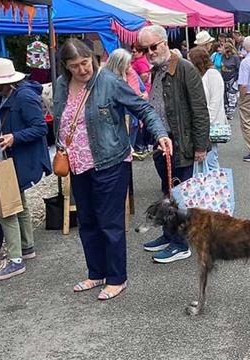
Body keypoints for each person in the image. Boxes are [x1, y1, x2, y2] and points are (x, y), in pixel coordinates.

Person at [53, 38, 171, 300]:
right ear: (66, 67)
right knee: (87, 222)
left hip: (110, 162)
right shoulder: (61, 85)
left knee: (110, 223)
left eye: (85, 63)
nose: (82, 70)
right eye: (75, 66)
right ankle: (96, 273)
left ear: (92, 59)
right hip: (78, 164)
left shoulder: (108, 82)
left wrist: (160, 134)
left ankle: (117, 277)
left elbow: (143, 108)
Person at [0, 58, 51, 282]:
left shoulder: (24, 97)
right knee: (20, 203)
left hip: (22, 159)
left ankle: (15, 259)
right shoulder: (1, 96)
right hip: (13, 159)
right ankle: (27, 247)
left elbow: (40, 128)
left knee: (3, 207)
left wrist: (15, 137)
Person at [138, 25, 210, 263]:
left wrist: (200, 146)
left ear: (165, 42)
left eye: (153, 46)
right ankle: (169, 235)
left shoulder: (184, 69)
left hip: (182, 144)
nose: (149, 52)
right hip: (163, 144)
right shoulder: (158, 69)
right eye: (144, 48)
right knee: (168, 193)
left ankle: (181, 243)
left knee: (180, 196)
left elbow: (199, 110)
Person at [188, 47, 227, 170]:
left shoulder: (212, 74)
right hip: (206, 124)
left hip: (210, 124)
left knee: (211, 160)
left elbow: (214, 104)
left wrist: (204, 124)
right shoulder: (204, 74)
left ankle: (218, 188)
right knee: (207, 161)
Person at [106, 49, 147, 158]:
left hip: (132, 119)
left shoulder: (132, 73)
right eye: (127, 64)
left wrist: (143, 95)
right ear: (118, 64)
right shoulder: (107, 79)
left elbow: (143, 89)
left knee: (128, 152)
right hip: (117, 119)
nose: (130, 66)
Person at [221, 41, 241, 119]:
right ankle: (226, 110)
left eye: (222, 47)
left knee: (232, 96)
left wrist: (237, 80)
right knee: (225, 96)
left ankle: (230, 112)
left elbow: (238, 68)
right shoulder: (222, 57)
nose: (221, 49)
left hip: (233, 78)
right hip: (224, 78)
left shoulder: (235, 57)